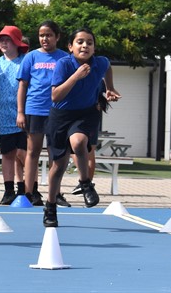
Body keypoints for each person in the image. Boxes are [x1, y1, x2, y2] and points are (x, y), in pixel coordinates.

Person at [43, 28, 121, 227]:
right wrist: (76, 76)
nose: (85, 45)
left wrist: (109, 87)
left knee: (78, 142)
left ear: (94, 48)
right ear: (70, 47)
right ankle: (50, 206)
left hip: (86, 113)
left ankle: (85, 183)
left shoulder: (100, 62)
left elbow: (108, 67)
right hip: (60, 116)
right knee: (58, 166)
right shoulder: (64, 64)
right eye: (80, 42)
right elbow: (55, 96)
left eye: (89, 42)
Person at [16, 20, 70, 206]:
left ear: (57, 37)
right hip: (35, 109)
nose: (45, 39)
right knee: (32, 151)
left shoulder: (64, 58)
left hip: (58, 111)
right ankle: (29, 192)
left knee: (56, 153)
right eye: (41, 35)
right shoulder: (31, 57)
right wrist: (20, 112)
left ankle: (55, 194)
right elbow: (22, 85)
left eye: (48, 35)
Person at [0, 26, 28, 205]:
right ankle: (9, 190)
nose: (3, 42)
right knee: (7, 154)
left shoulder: (26, 61)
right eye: (1, 39)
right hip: (3, 115)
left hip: (25, 115)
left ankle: (28, 188)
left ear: (17, 42)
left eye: (8, 39)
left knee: (24, 153)